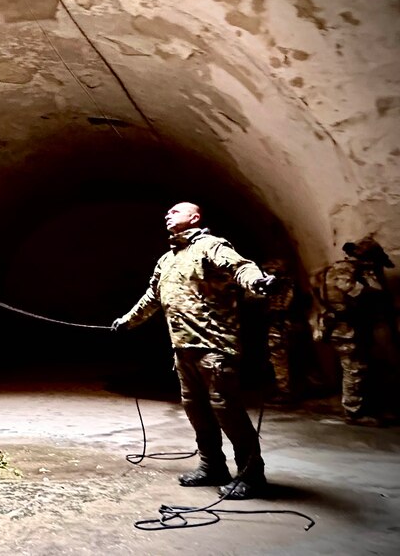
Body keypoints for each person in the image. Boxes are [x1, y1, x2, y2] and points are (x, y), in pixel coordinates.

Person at [112, 202, 275, 500]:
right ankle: (212, 466)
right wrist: (128, 321)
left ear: (195, 217)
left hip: (214, 348)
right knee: (196, 411)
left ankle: (252, 474)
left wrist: (258, 282)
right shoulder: (167, 259)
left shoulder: (210, 247)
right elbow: (153, 296)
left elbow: (240, 267)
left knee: (228, 412)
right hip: (183, 349)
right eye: (167, 213)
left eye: (175, 212)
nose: (167, 215)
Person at [313, 235, 395, 426]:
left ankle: (361, 407)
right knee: (354, 368)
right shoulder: (345, 270)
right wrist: (373, 281)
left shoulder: (337, 268)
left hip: (343, 325)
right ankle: (354, 412)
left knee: (357, 367)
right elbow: (361, 294)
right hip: (344, 327)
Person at [260, 259, 296, 405]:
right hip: (279, 323)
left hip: (280, 324)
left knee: (279, 357)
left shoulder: (281, 285)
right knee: (279, 357)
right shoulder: (286, 284)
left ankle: (284, 391)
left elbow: (283, 306)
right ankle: (284, 389)